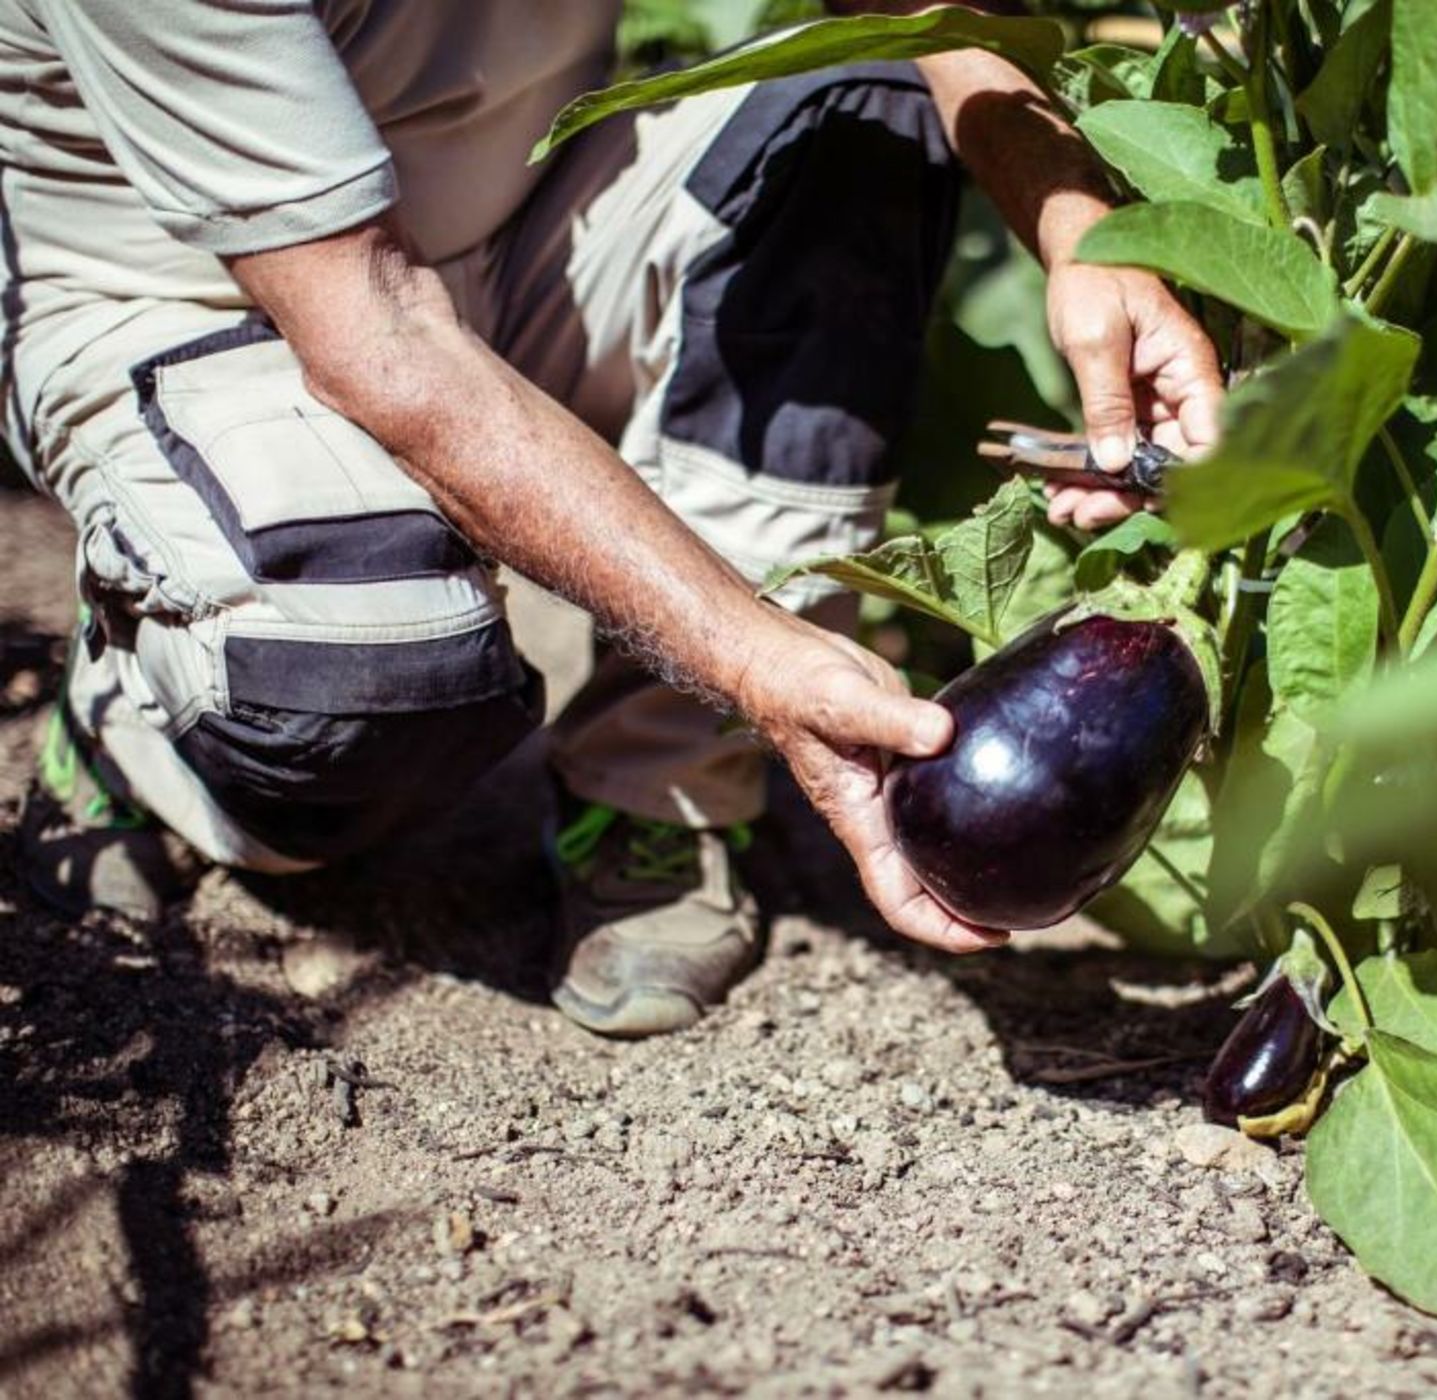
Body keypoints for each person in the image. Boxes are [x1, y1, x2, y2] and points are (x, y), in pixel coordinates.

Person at [0, 1, 1224, 1036]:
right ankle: (130, 711)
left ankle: (660, 786)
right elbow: (378, 332)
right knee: (347, 694)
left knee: (850, 111)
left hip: (513, 222)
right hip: (181, 301)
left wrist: (1080, 228)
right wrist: (750, 654)